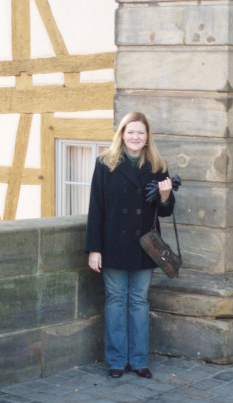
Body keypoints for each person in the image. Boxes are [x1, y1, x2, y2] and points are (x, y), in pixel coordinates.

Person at [86, 111, 175, 379]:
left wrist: (166, 196)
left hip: (145, 247)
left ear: (147, 137)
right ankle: (116, 361)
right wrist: (94, 248)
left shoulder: (157, 165)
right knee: (116, 301)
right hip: (113, 244)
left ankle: (138, 360)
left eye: (141, 132)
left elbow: (165, 212)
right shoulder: (105, 163)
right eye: (130, 131)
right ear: (122, 134)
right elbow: (96, 209)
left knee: (139, 302)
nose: (135, 137)